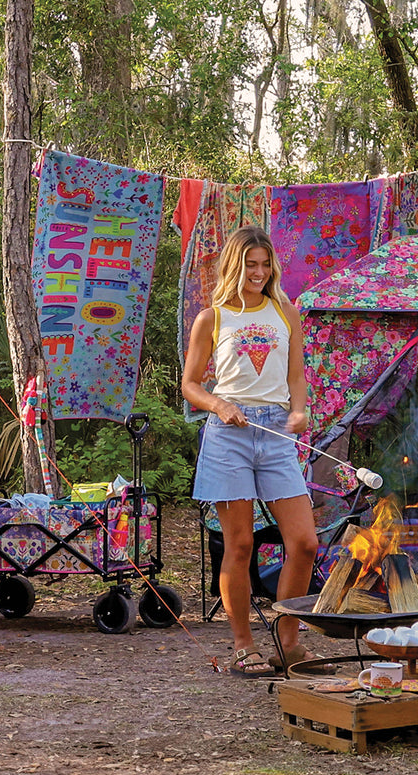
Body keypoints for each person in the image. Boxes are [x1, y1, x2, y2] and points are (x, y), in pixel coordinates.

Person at [182, 226, 319, 677]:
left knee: (304, 543)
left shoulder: (285, 312)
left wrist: (299, 411)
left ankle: (286, 643)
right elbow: (190, 385)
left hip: (276, 433)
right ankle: (244, 645)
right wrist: (219, 405)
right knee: (240, 544)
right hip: (229, 435)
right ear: (233, 267)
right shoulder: (213, 318)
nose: (258, 273)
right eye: (249, 265)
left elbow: (296, 376)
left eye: (264, 265)